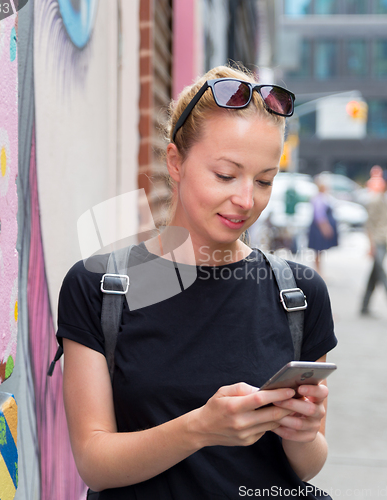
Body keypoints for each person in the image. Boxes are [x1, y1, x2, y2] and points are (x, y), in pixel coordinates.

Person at [58, 65, 337, 499]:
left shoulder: (299, 295)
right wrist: (199, 428)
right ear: (175, 162)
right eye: (226, 175)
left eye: (264, 180)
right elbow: (95, 462)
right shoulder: (102, 288)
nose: (247, 200)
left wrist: (300, 433)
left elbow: (309, 465)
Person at [360, 166, 387, 317]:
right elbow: (369, 225)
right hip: (376, 242)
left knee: (374, 276)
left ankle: (363, 307)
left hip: (384, 241)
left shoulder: (386, 200)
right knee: (384, 276)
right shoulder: (376, 200)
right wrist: (371, 246)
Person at [307, 178, 338, 275]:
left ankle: (319, 270)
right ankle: (318, 271)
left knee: (319, 251)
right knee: (317, 250)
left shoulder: (323, 198)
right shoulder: (319, 199)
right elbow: (320, 216)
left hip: (319, 228)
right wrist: (325, 228)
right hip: (318, 228)